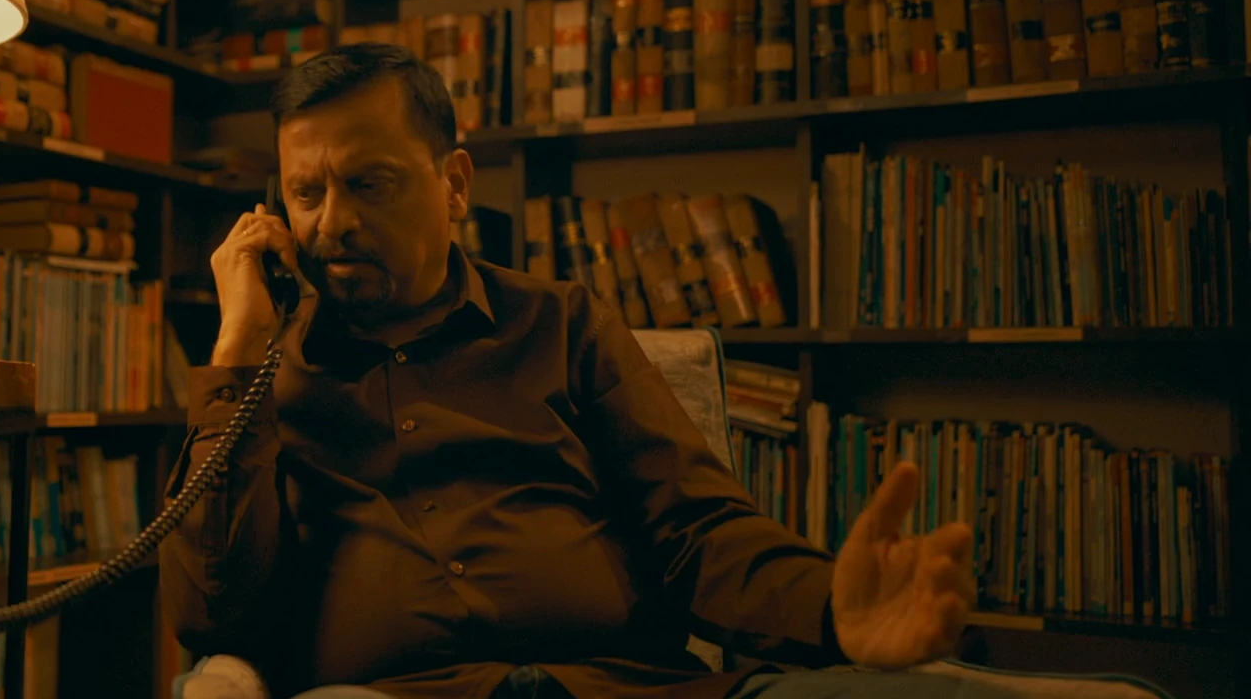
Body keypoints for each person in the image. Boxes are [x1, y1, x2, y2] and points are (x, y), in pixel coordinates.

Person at [158, 43, 991, 699]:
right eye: (306, 194)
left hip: (629, 686)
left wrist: (834, 612)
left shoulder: (562, 324)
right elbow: (209, 613)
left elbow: (696, 531)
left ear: (454, 185)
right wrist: (237, 350)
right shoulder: (266, 380)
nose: (332, 223)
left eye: (369, 184)